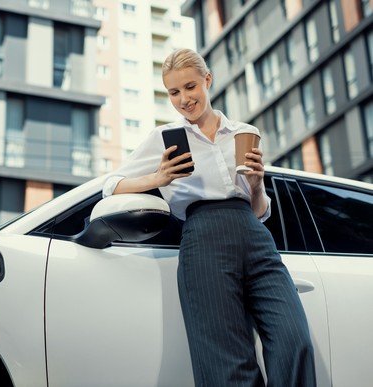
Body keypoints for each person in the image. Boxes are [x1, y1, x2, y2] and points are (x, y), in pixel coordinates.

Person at [102, 48, 316, 386]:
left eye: (190, 87)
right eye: (174, 92)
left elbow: (260, 211)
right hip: (203, 238)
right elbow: (111, 186)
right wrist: (159, 179)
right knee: (226, 360)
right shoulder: (163, 139)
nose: (184, 99)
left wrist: (257, 185)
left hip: (255, 235)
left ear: (207, 80)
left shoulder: (243, 131)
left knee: (294, 340)